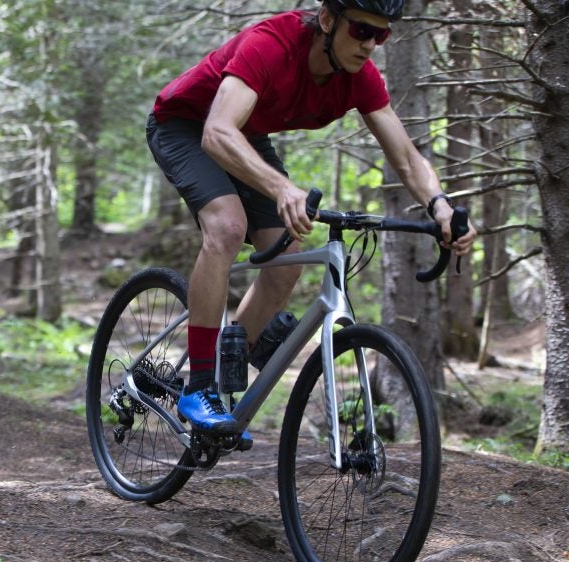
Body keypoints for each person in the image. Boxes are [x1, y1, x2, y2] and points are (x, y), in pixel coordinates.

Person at [146, 0, 477, 434]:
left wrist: (440, 205)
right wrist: (283, 188)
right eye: (361, 31)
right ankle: (200, 386)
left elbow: (407, 158)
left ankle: (233, 360)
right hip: (184, 125)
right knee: (227, 227)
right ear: (327, 20)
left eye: (382, 36)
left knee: (289, 252)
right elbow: (217, 132)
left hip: (243, 135)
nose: (370, 45)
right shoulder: (270, 45)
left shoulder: (359, 78)